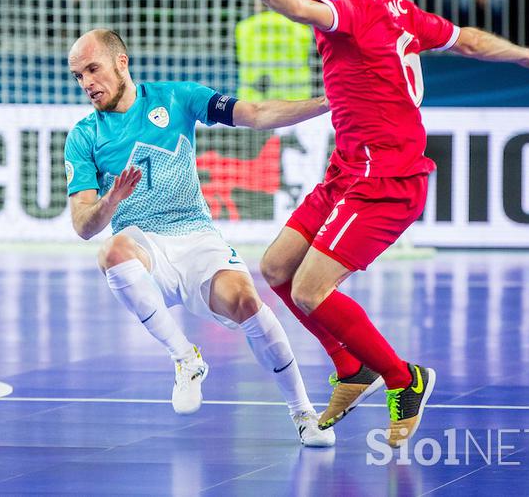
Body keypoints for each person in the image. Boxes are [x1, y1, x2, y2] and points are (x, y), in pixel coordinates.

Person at [200, 0, 529, 447]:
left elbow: (300, 8)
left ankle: (404, 378)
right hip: (349, 168)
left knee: (309, 289)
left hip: (385, 178)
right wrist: (525, 54)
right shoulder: (398, 8)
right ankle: (351, 368)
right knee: (276, 267)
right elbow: (463, 39)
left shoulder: (350, 8)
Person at [64, 28, 336, 447]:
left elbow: (258, 113)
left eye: (92, 69)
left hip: (195, 237)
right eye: (78, 75)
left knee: (248, 303)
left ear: (122, 62)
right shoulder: (84, 135)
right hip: (145, 247)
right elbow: (83, 225)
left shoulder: (177, 97)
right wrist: (110, 202)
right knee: (111, 250)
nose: (86, 84)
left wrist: (326, 104)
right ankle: (185, 358)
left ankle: (304, 413)